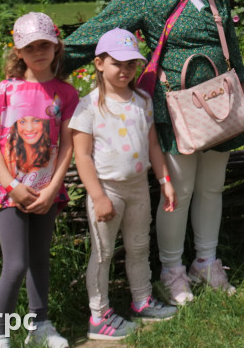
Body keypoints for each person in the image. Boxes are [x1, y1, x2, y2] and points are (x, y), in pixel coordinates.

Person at [64, 0, 244, 305]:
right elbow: (103, 26)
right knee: (178, 190)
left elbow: (230, 44)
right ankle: (172, 270)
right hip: (175, 105)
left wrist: (243, 93)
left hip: (220, 103)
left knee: (212, 188)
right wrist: (51, 60)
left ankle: (206, 262)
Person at [70, 29, 178, 340]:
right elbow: (83, 156)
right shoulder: (88, 106)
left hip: (138, 188)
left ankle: (142, 300)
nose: (125, 70)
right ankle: (98, 315)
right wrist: (98, 196)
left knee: (139, 247)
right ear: (99, 63)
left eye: (131, 64)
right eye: (118, 63)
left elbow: (153, 146)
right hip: (107, 190)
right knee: (103, 253)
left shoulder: (142, 101)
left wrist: (164, 180)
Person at [0, 12, 78, 348]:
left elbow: (68, 145)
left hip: (47, 192)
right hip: (10, 191)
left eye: (44, 45)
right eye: (30, 47)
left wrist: (53, 188)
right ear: (18, 52)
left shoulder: (66, 93)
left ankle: (40, 324)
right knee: (17, 263)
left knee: (39, 259)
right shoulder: (5, 90)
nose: (38, 52)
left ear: (55, 47)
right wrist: (12, 185)